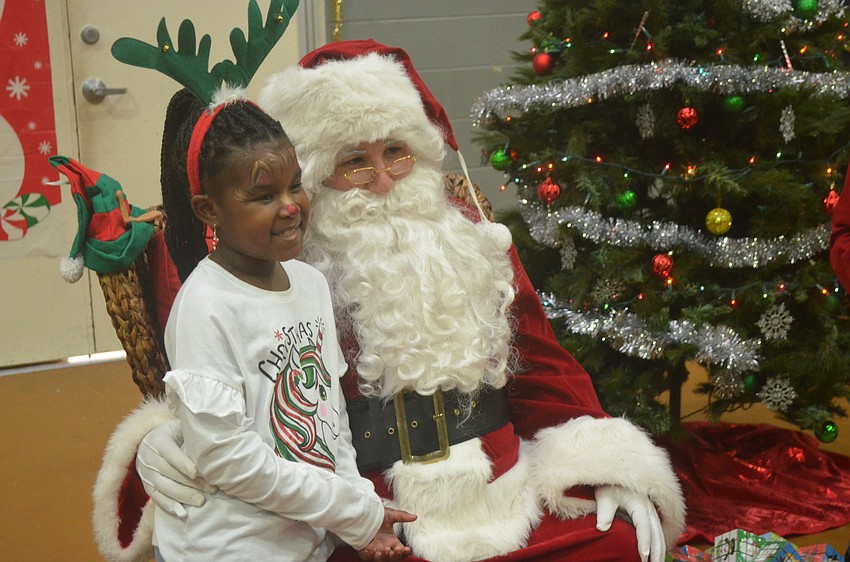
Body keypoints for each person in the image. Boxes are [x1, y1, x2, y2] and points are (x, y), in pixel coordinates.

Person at [94, 41, 685, 562]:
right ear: (319, 175)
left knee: (617, 542)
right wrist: (165, 435)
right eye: (354, 161)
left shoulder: (471, 239)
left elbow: (546, 371)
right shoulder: (284, 263)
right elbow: (242, 385)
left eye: (396, 152)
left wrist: (601, 462)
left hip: (505, 493)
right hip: (373, 515)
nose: (382, 179)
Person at [145, 85, 415, 562]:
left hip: (306, 539)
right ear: (210, 210)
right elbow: (228, 460)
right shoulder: (205, 307)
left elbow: (331, 421)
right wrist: (351, 511)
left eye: (295, 185)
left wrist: (357, 512)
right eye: (263, 195)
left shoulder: (309, 284)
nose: (290, 206)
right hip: (226, 548)